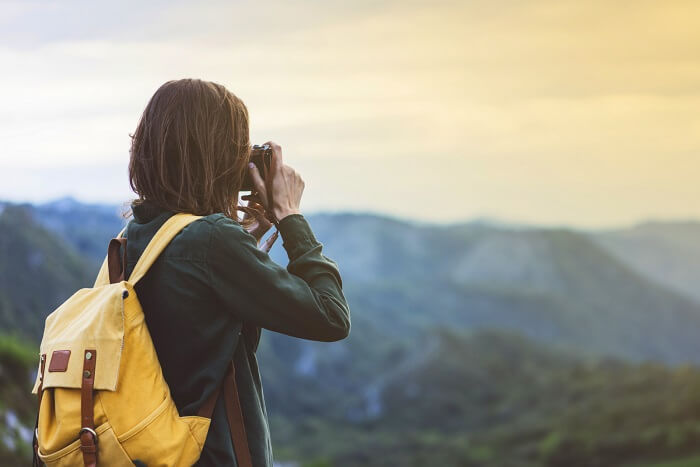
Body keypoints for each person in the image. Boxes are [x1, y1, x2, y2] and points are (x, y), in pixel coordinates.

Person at [122, 78, 351, 466]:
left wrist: (249, 243)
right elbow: (331, 317)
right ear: (218, 156)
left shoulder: (136, 234)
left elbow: (200, 310)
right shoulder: (212, 242)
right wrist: (289, 216)